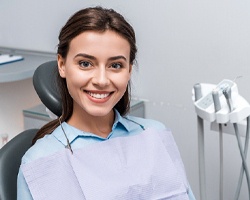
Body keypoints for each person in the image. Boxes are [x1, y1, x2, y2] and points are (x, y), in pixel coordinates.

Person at [17, 6, 196, 200]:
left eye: (115, 65)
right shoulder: (40, 161)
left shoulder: (154, 134)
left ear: (129, 70)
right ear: (62, 65)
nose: (101, 80)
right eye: (85, 63)